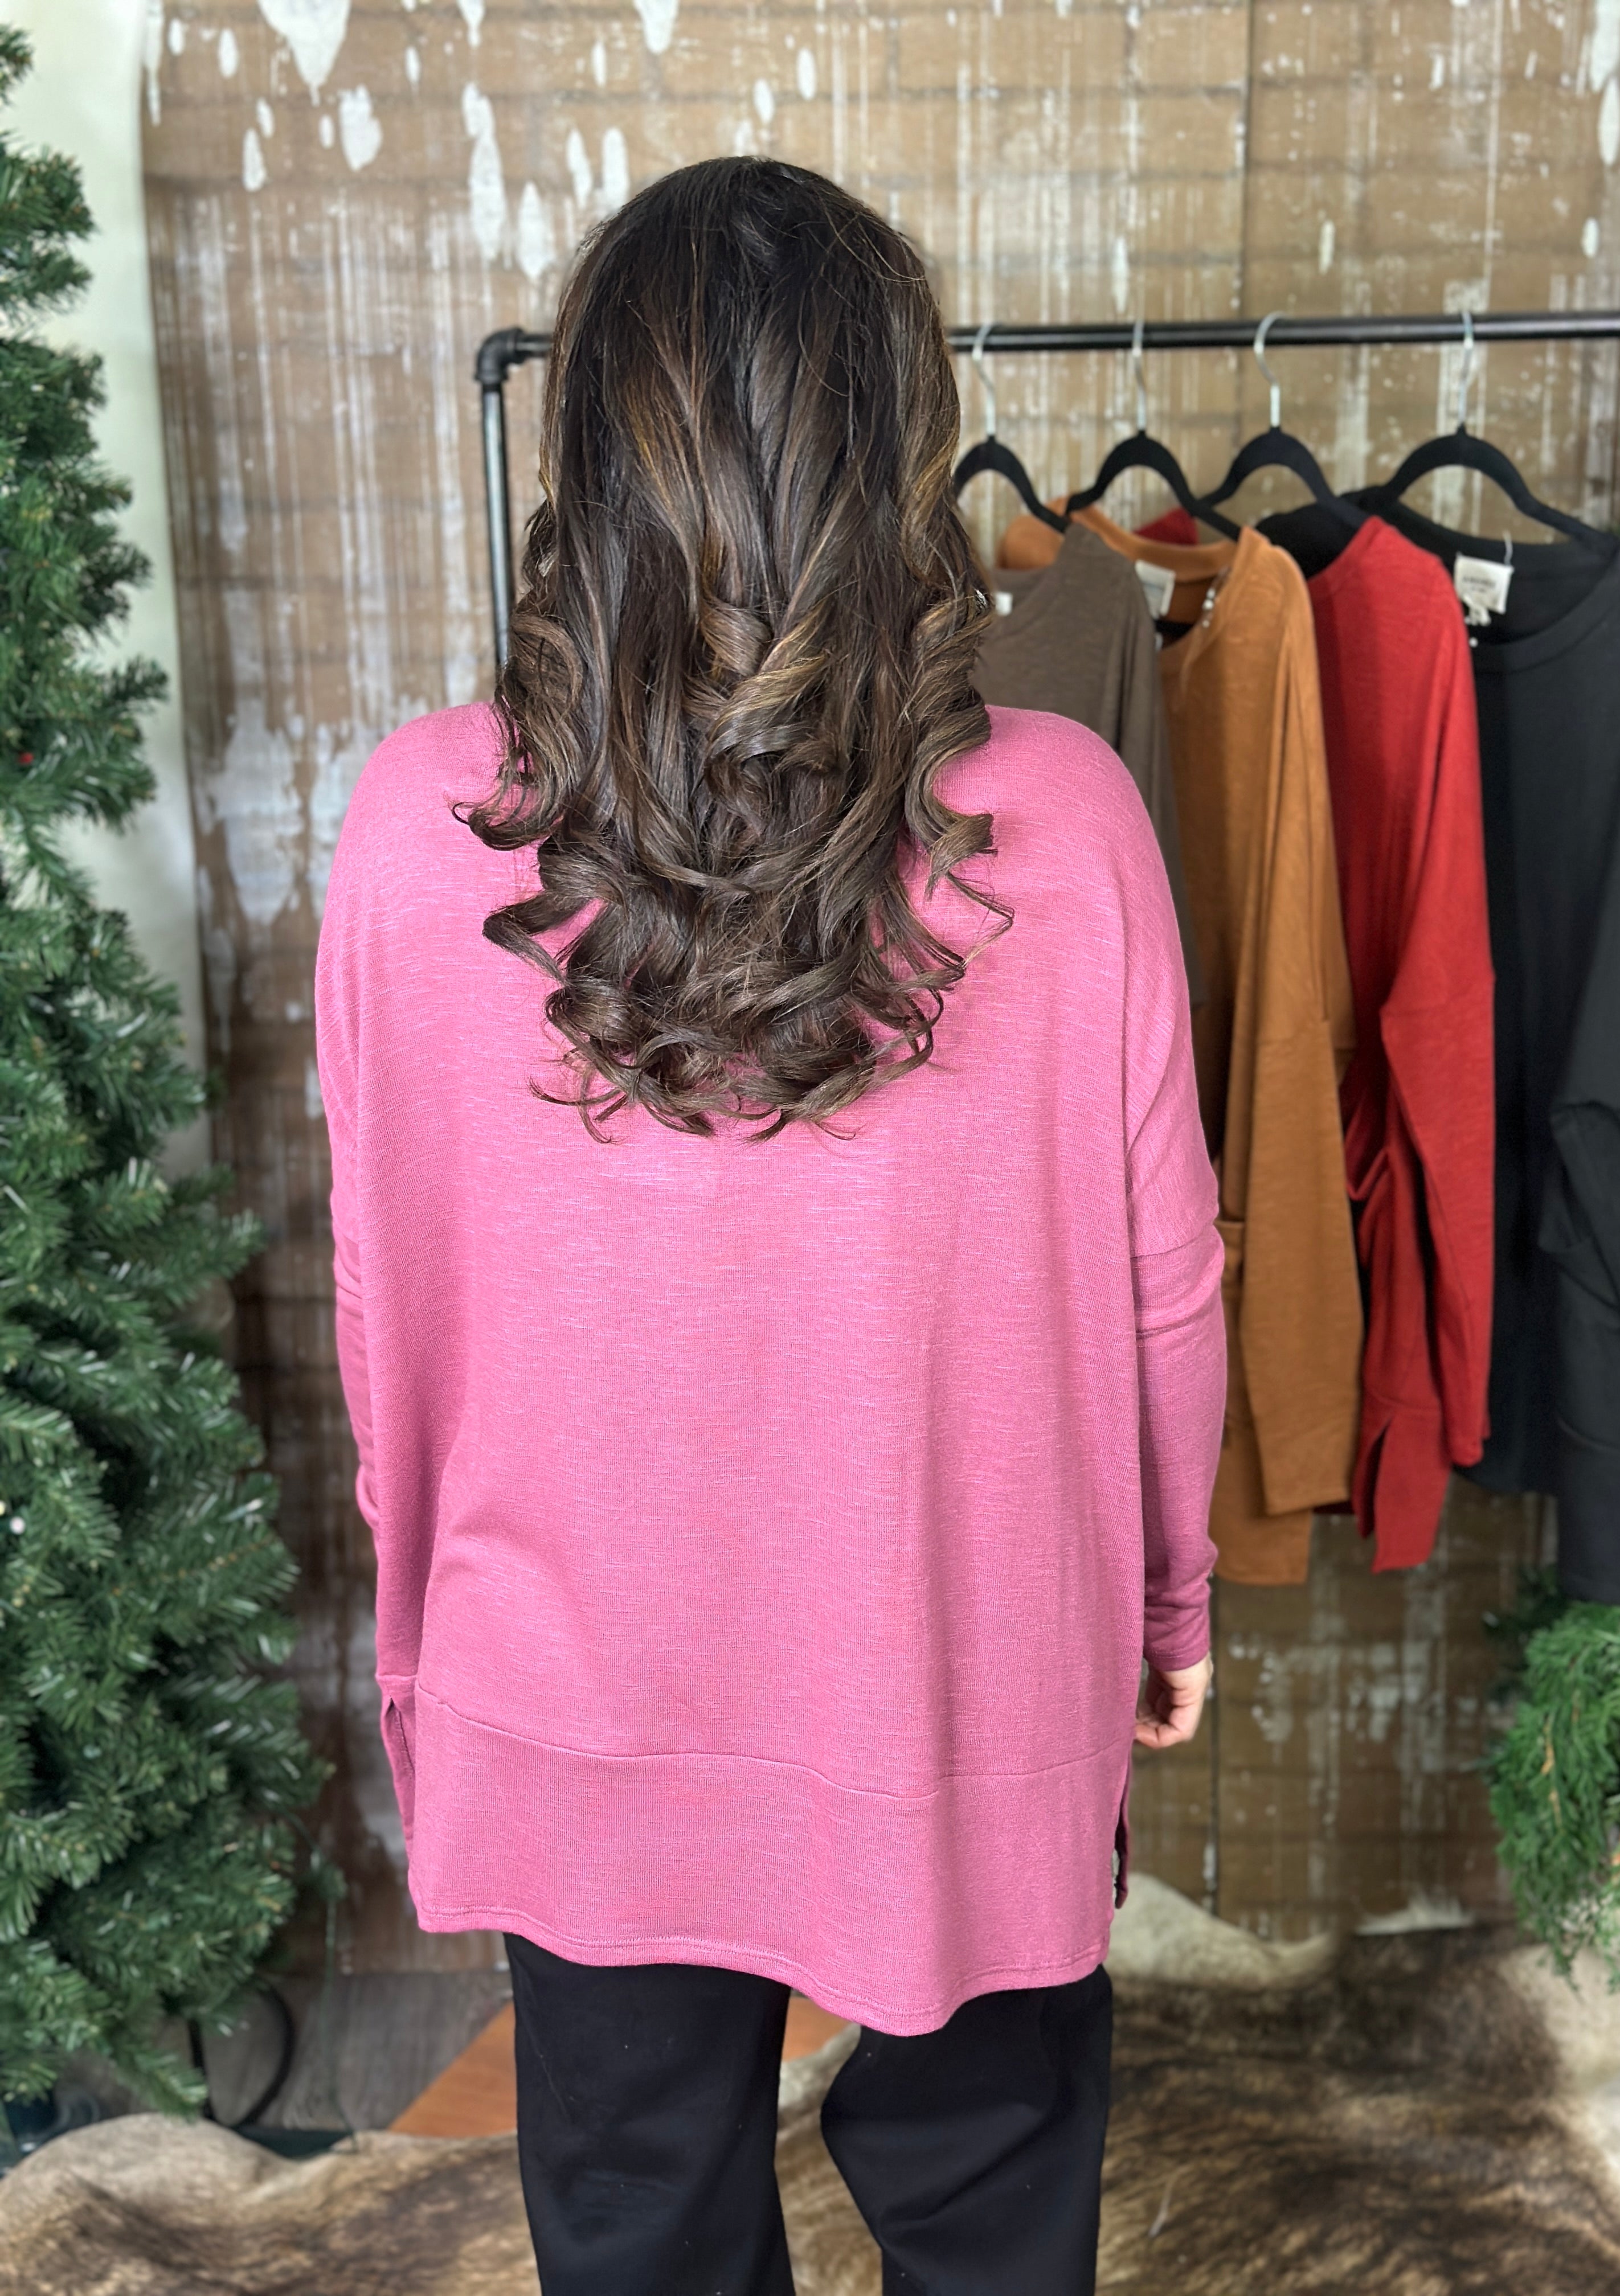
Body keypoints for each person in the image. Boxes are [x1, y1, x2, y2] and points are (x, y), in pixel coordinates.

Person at [316, 155, 1225, 2296]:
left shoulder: (408, 832)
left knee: (639, 2213)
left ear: (589, 452)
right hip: (961, 1665)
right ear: (897, 450)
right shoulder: (1067, 824)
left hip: (578, 1673)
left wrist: (429, 1659)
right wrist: (1168, 1601)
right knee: (994, 2199)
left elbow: (391, 1309)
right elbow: (1162, 1285)